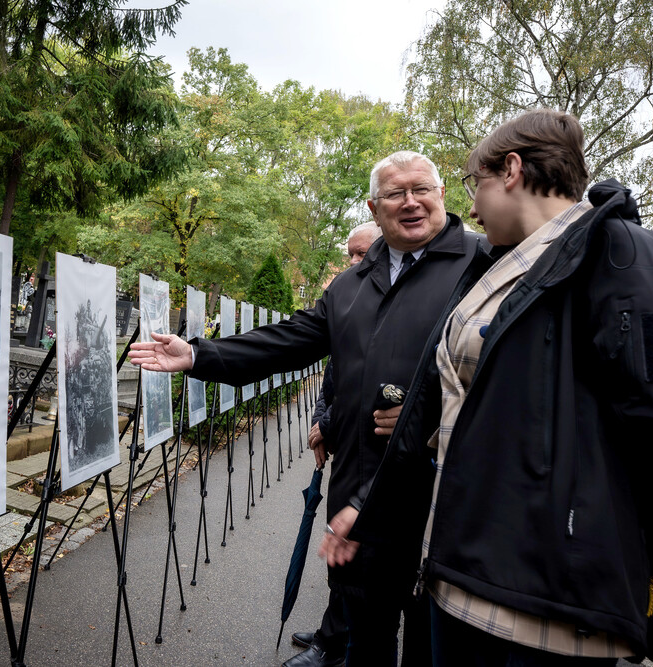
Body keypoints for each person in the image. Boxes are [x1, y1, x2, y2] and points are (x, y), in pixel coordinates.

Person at [325, 109, 653, 666]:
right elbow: (452, 416)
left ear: (511, 170)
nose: (469, 207)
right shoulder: (501, 267)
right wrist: (369, 508)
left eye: (473, 183)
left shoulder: (627, 258)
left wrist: (637, 555)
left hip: (549, 607)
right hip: (464, 581)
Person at [130, 150, 491, 666]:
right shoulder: (349, 285)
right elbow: (290, 341)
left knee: (432, 650)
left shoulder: (484, 265)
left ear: (442, 195)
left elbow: (512, 376)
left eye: (422, 189)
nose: (410, 202)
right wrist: (197, 354)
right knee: (364, 640)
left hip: (439, 504)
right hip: (356, 499)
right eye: (395, 194)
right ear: (373, 207)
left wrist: (428, 419)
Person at [289, 222, 383, 667]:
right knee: (340, 557)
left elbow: (367, 390)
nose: (352, 263)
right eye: (349, 254)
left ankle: (335, 644)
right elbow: (332, 380)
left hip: (376, 459)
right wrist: (318, 424)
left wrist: (326, 426)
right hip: (344, 449)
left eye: (360, 254)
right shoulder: (348, 298)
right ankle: (333, 631)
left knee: (358, 563)